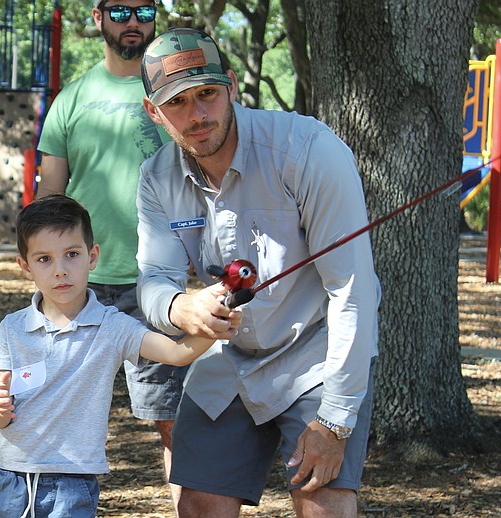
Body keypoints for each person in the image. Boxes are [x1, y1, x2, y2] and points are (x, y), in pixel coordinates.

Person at [135, 28, 381, 517]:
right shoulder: (156, 177)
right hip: (226, 358)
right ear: (154, 112)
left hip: (317, 351)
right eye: (178, 102)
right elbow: (153, 281)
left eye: (207, 94)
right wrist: (180, 307)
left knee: (323, 501)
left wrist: (334, 423)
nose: (197, 114)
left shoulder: (309, 151)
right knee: (198, 502)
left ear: (231, 85)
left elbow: (351, 291)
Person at [0, 194, 240, 518]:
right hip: (9, 477)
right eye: (44, 259)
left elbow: (175, 352)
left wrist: (214, 325)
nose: (60, 270)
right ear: (25, 266)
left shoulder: (112, 326)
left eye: (72, 254)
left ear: (92, 256)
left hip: (73, 480)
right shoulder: (12, 328)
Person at [35, 0, 185, 506]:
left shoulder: (177, 94)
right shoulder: (71, 99)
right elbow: (48, 206)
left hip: (161, 284)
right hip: (80, 288)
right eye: (120, 10)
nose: (134, 22)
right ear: (97, 18)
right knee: (59, 417)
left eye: (145, 9)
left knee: (174, 424)